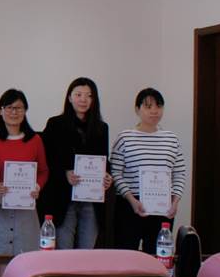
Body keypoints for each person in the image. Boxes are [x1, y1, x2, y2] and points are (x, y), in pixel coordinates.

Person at [40, 77, 113, 249]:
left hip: (91, 198)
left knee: (87, 250)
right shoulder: (55, 124)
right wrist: (64, 173)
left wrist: (107, 176)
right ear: (69, 97)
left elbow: (103, 160)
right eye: (78, 94)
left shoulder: (102, 128)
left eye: (89, 95)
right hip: (64, 198)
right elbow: (46, 160)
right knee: (64, 250)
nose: (83, 99)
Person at [111, 88, 186, 254]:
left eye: (159, 106)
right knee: (126, 254)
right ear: (137, 109)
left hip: (162, 205)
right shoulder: (125, 137)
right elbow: (115, 172)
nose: (154, 111)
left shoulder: (171, 139)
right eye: (148, 106)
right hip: (130, 205)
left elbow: (179, 173)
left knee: (158, 255)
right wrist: (131, 200)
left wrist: (175, 201)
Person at [0, 89, 48, 256]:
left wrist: (37, 187)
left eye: (19, 108)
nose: (14, 112)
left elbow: (43, 171)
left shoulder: (35, 140)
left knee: (26, 257)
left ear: (25, 111)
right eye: (9, 107)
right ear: (0, 110)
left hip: (25, 207)